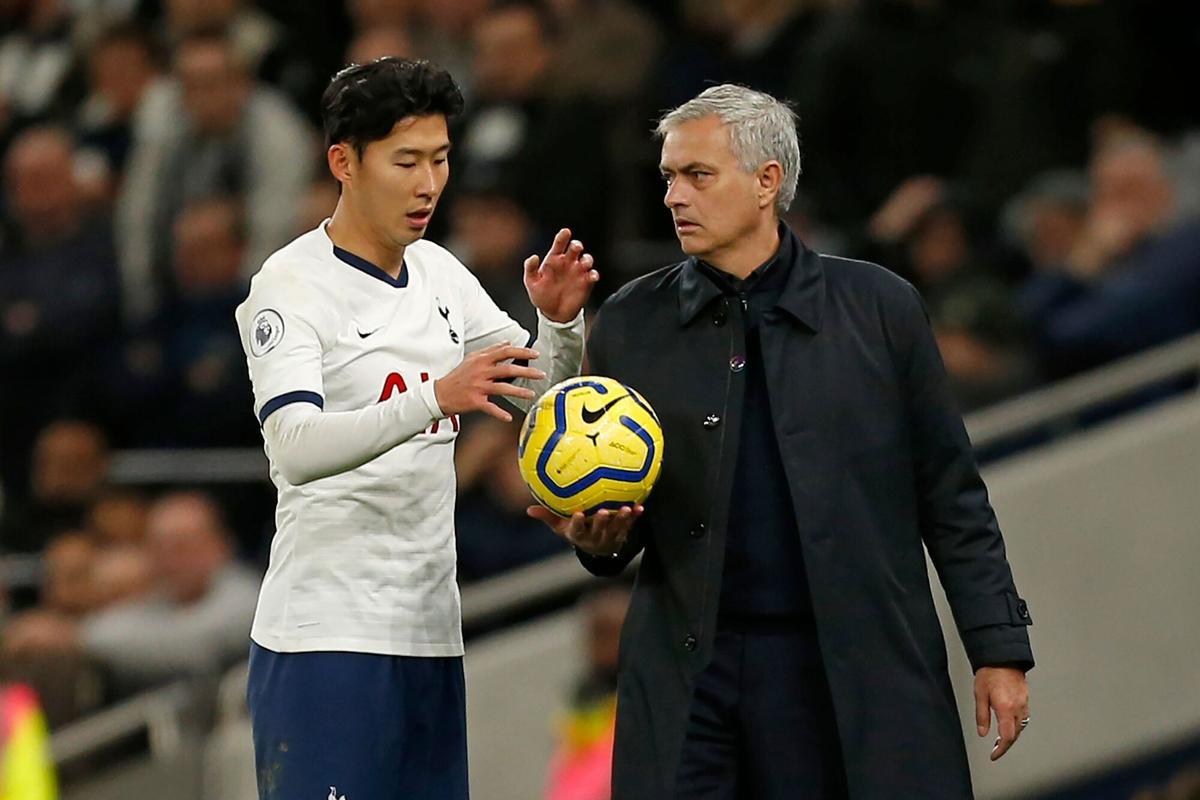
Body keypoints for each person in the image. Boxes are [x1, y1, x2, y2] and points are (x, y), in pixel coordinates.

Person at [530, 84, 1034, 798]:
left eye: (697, 175)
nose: (674, 196)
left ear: (768, 182)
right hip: (691, 679)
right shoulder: (630, 322)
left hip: (848, 668)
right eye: (669, 176)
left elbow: (951, 497)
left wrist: (999, 649)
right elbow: (611, 524)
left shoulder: (881, 308)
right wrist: (597, 537)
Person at [236, 57, 596, 800]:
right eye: (406, 161)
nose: (429, 183)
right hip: (326, 637)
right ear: (344, 161)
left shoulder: (439, 272)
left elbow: (547, 402)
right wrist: (435, 397)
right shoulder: (290, 286)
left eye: (440, 159)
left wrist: (559, 323)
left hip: (430, 632)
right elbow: (295, 447)